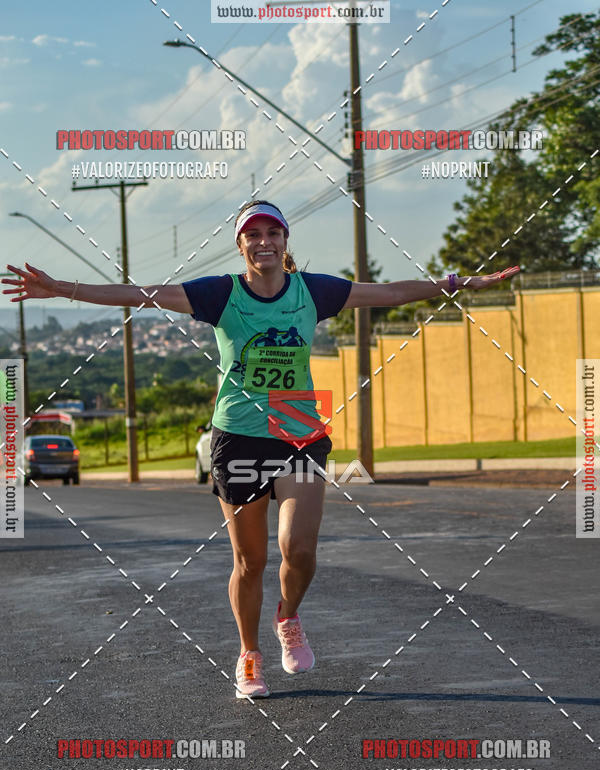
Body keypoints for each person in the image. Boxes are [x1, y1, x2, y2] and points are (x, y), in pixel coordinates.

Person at [3, 200, 519, 700]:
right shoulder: (220, 294)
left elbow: (389, 292)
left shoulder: (312, 291)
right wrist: (62, 288)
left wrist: (458, 282)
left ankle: (288, 616)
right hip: (239, 436)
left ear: (284, 240)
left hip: (298, 430)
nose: (264, 241)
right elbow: (141, 294)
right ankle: (249, 654)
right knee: (250, 562)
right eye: (253, 234)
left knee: (299, 549)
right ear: (241, 244)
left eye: (272, 233)